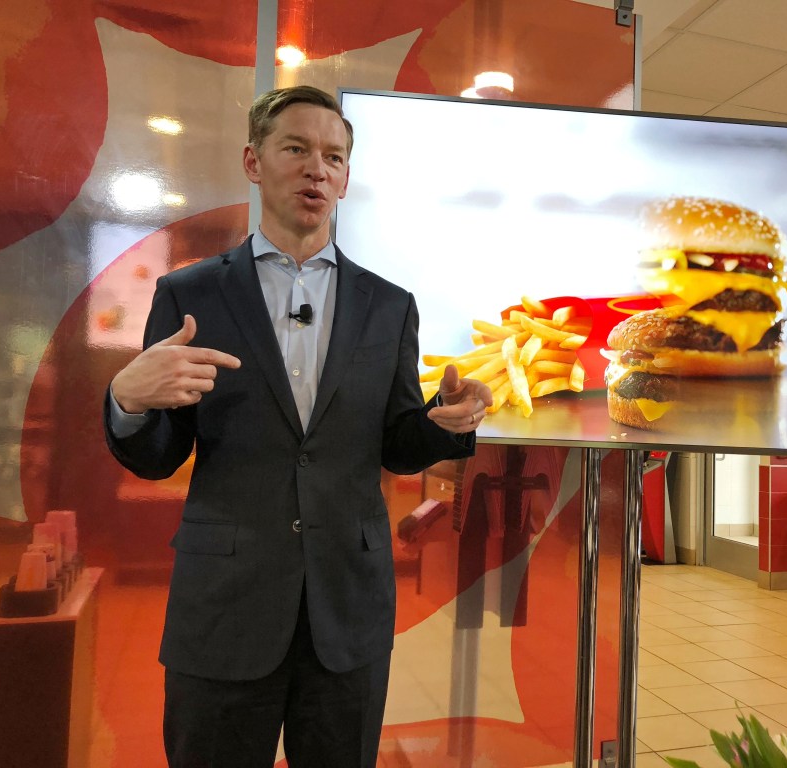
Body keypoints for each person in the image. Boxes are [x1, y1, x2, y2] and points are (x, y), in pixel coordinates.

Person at [103, 85, 492, 768]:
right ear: (254, 163)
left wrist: (444, 424)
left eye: (333, 156)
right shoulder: (190, 295)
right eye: (297, 149)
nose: (318, 168)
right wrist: (129, 401)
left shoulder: (388, 306)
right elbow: (162, 456)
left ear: (345, 177)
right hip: (226, 606)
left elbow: (398, 442)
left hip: (346, 608)